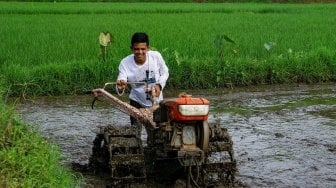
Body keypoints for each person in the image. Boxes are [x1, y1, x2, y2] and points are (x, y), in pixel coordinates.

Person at [116, 32, 169, 125]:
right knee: (135, 132)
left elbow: (165, 72)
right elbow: (122, 78)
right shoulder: (125, 63)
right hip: (136, 101)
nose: (140, 52)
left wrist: (159, 85)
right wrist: (120, 86)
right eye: (136, 49)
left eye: (143, 49)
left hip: (156, 101)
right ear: (131, 49)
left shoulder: (155, 57)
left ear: (148, 48)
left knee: (160, 132)